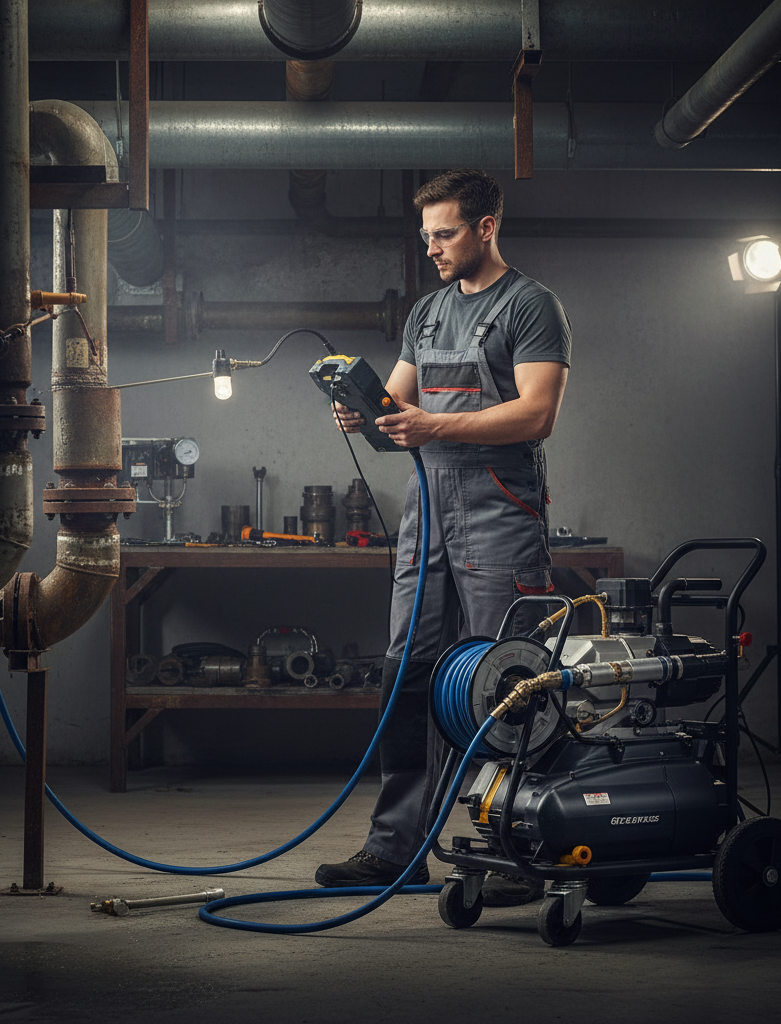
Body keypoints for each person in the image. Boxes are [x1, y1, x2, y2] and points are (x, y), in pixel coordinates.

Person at [315, 169, 571, 907]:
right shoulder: (426, 314)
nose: (431, 247)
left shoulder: (530, 306)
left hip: (498, 508)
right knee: (409, 673)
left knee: (511, 679)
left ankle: (527, 849)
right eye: (425, 235)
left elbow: (537, 413)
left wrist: (428, 425)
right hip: (427, 508)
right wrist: (366, 413)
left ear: (486, 227)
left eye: (445, 233)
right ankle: (396, 850)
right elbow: (402, 406)